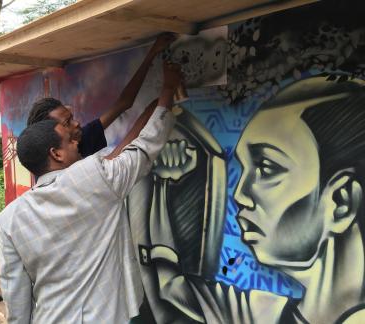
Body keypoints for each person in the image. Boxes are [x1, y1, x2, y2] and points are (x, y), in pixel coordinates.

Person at [131, 75, 365, 323]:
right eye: (245, 169)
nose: (240, 195)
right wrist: (164, 183)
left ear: (341, 202)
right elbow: (172, 289)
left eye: (266, 168)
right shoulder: (263, 313)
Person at [0, 61, 182, 323]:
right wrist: (167, 93)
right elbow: (143, 147)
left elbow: (16, 298)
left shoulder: (8, 220)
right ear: (56, 153)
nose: (77, 135)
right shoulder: (95, 177)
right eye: (68, 132)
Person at [26, 33, 176, 158]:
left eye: (71, 117)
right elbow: (115, 162)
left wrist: (150, 55)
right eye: (67, 123)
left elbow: (124, 103)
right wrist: (165, 95)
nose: (77, 123)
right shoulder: (66, 174)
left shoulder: (80, 138)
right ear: (53, 149)